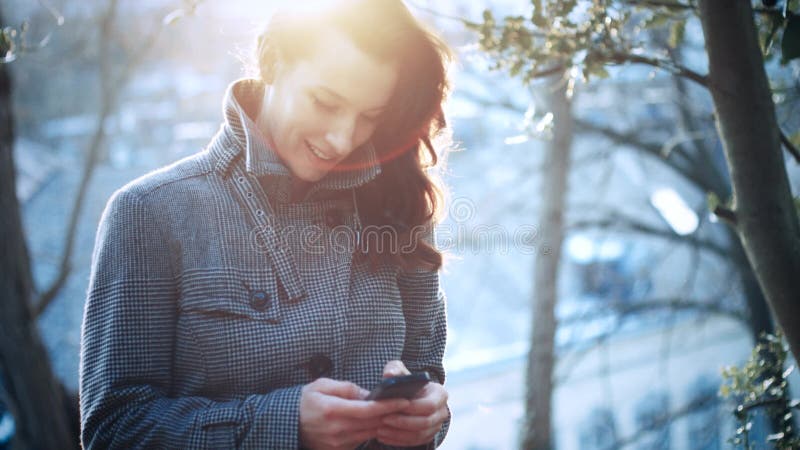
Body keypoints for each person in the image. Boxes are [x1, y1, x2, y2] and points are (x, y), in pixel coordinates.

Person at [79, 0, 453, 448]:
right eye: (325, 102)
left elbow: (426, 372)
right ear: (272, 61)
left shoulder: (399, 204)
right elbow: (114, 429)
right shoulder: (150, 212)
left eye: (369, 117)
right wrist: (283, 422)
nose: (343, 139)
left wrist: (428, 416)